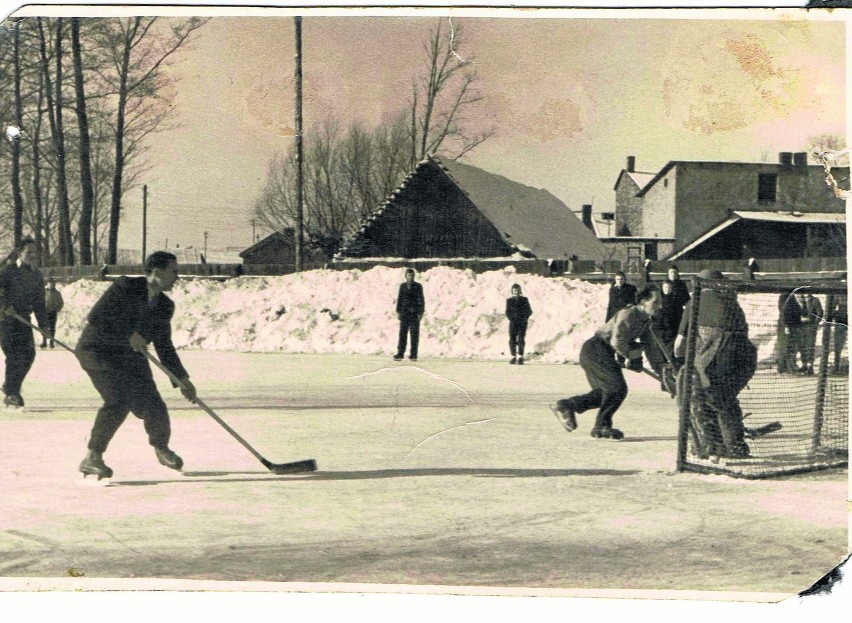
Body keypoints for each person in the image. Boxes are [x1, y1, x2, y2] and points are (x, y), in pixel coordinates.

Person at [77, 251, 197, 479]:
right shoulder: (125, 287)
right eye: (173, 271)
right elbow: (97, 317)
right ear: (156, 271)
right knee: (118, 400)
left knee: (153, 403)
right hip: (98, 351)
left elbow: (164, 345)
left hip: (129, 356)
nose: (177, 277)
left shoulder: (165, 305)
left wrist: (181, 378)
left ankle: (161, 447)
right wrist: (128, 335)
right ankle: (92, 457)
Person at [551, 284, 662, 440]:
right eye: (656, 302)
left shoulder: (646, 322)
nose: (660, 306)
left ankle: (568, 405)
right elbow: (617, 341)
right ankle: (603, 425)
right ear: (643, 301)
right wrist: (631, 357)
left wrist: (662, 369)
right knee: (617, 388)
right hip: (596, 349)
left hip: (603, 353)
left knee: (604, 393)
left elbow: (651, 349)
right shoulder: (628, 314)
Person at [675, 269, 757, 459]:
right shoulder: (732, 302)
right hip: (746, 356)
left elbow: (679, 346)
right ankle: (736, 444)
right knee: (726, 398)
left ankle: (711, 445)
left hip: (720, 355)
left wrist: (683, 360)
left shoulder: (694, 302)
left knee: (702, 397)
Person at [0, 237, 50, 409]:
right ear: (19, 253)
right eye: (28, 252)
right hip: (6, 320)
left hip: (24, 320)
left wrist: (44, 326)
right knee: (14, 356)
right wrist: (5, 306)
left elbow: (39, 303)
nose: (32, 255)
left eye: (35, 252)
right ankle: (12, 394)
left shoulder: (37, 275)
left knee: (28, 356)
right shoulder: (8, 271)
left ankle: (10, 386)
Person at [393, 268, 425, 362]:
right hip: (404, 313)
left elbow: (421, 300)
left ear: (414, 276)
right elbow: (400, 299)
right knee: (402, 335)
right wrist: (398, 311)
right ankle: (400, 354)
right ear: (406, 276)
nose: (410, 277)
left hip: (414, 313)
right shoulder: (402, 286)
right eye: (408, 275)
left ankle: (413, 355)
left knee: (414, 335)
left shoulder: (418, 286)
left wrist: (420, 312)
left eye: (412, 275)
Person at [776, 290, 803, 373]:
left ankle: (785, 367)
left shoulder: (790, 297)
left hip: (789, 325)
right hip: (788, 325)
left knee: (787, 346)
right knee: (788, 346)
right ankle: (788, 367)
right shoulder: (786, 297)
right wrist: (786, 325)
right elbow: (785, 311)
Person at [505, 284, 533, 365]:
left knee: (521, 339)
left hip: (522, 323)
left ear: (520, 291)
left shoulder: (524, 300)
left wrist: (524, 318)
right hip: (513, 323)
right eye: (514, 290)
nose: (516, 292)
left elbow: (529, 311)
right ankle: (513, 356)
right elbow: (507, 312)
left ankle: (520, 356)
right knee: (512, 339)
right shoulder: (509, 300)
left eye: (517, 290)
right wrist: (512, 319)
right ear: (512, 291)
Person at [799, 293, 823, 376]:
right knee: (802, 346)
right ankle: (804, 365)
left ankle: (810, 366)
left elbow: (820, 313)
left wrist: (814, 323)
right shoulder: (799, 299)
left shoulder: (815, 300)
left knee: (810, 346)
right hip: (800, 327)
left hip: (810, 327)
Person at [41, 278, 65, 349]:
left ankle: (51, 342)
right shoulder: (43, 292)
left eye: (52, 284)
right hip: (45, 312)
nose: (50, 285)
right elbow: (39, 301)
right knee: (44, 327)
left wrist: (57, 309)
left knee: (52, 328)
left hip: (53, 313)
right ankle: (44, 342)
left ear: (54, 285)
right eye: (49, 284)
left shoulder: (57, 293)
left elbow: (61, 302)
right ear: (47, 284)